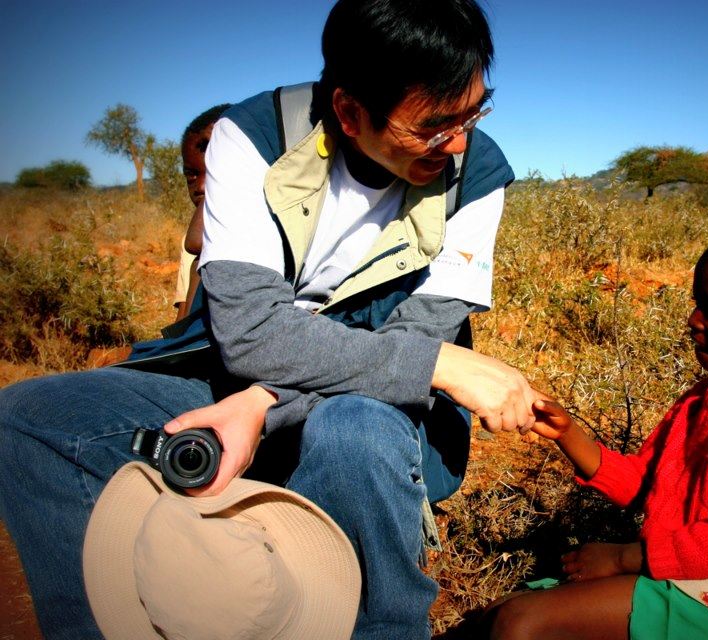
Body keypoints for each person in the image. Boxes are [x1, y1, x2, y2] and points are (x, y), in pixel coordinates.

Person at [0, 2, 536, 639]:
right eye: (434, 126)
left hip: (376, 409)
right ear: (349, 112)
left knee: (355, 430)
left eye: (474, 112)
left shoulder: (477, 174)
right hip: (237, 376)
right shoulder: (252, 138)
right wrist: (440, 364)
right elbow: (253, 333)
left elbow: (406, 351)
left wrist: (264, 404)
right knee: (29, 418)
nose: (460, 143)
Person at [488, 223, 708, 640]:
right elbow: (649, 485)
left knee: (521, 623)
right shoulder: (706, 397)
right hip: (688, 575)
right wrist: (568, 434)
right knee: (498, 614)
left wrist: (622, 559)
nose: (693, 321)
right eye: (697, 305)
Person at [172, 103, 231, 320]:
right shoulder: (189, 237)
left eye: (214, 172)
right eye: (192, 176)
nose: (201, 187)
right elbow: (183, 315)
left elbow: (195, 243)